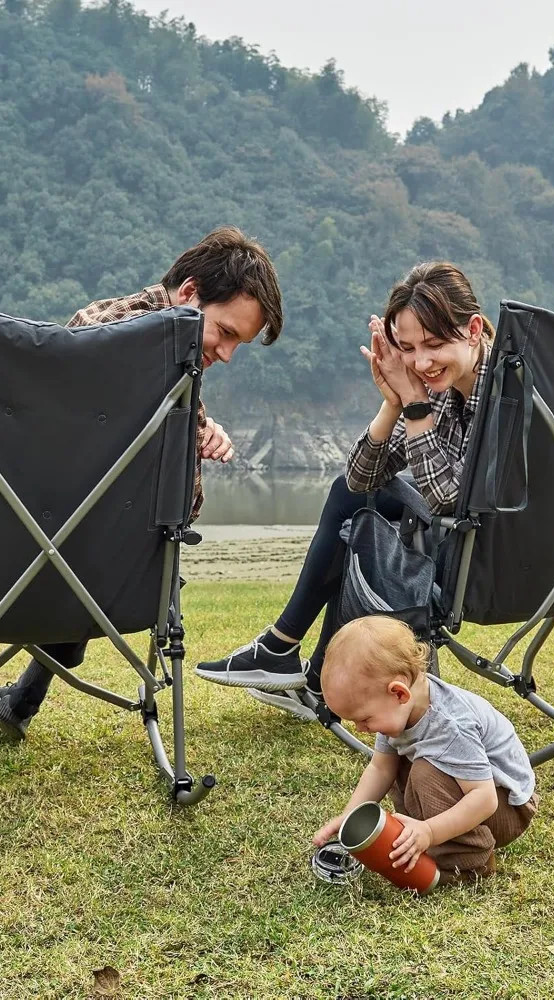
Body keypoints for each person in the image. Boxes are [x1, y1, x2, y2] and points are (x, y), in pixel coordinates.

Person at [0, 226, 284, 739]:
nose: (227, 354)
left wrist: (193, 426)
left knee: (44, 529)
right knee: (92, 535)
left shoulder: (91, 329)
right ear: (190, 293)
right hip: (111, 586)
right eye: (227, 332)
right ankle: (22, 696)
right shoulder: (175, 376)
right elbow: (183, 510)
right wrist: (194, 437)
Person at [195, 261, 494, 720]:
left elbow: (447, 502)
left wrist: (415, 405)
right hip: (503, 555)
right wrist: (393, 402)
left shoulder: (503, 395)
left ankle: (285, 649)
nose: (421, 362)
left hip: (487, 561)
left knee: (356, 519)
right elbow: (358, 480)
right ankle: (304, 666)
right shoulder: (439, 384)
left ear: (473, 329)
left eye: (434, 344)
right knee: (352, 509)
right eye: (409, 348)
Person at [312, 616, 539, 884]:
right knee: (399, 763)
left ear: (399, 693)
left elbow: (485, 798)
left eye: (363, 719)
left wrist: (430, 831)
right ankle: (426, 838)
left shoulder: (450, 725)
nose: (361, 729)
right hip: (472, 795)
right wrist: (349, 814)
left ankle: (470, 861)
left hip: (506, 809)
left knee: (425, 772)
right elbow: (380, 767)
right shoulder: (396, 711)